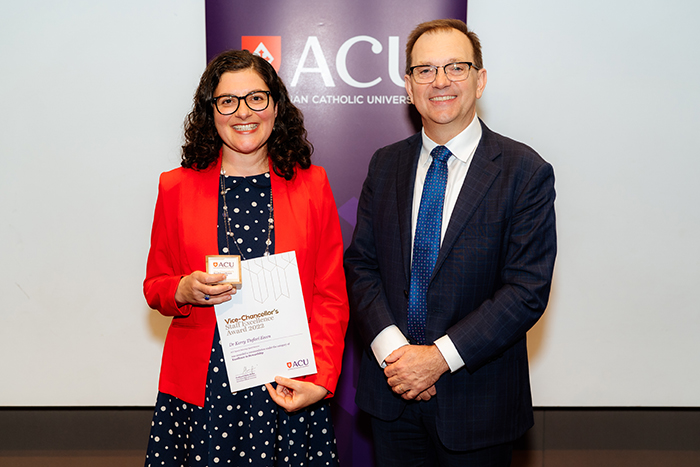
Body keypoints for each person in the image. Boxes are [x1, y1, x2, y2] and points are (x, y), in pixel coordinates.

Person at [344, 19, 557, 466]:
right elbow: (361, 265)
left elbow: (524, 291)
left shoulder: (525, 171)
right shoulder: (384, 165)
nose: (440, 81)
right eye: (424, 70)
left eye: (455, 68)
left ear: (480, 80)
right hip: (391, 397)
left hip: (479, 407)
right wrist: (395, 357)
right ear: (408, 85)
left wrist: (437, 359)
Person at [143, 49, 349, 467]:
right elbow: (156, 285)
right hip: (203, 388)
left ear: (276, 105)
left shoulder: (312, 185)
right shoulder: (175, 188)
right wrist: (181, 288)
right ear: (211, 110)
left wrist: (323, 381)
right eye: (228, 101)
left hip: (288, 383)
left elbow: (331, 296)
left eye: (256, 98)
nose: (243, 112)